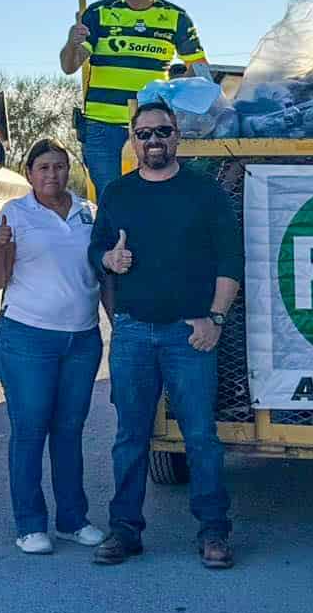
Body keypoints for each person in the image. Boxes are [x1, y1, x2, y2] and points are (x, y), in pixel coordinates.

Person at [87, 101, 243, 569]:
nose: (154, 141)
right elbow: (97, 249)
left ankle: (214, 532)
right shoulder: (117, 193)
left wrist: (214, 319)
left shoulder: (205, 194)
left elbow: (230, 261)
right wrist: (108, 260)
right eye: (144, 134)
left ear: (178, 137)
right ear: (133, 141)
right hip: (133, 334)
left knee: (200, 437)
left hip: (189, 336)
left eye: (163, 132)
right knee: (130, 437)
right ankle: (125, 531)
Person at [0, 138, 104, 555]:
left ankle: (72, 520)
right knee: (30, 431)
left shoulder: (88, 213)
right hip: (29, 338)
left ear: (69, 171)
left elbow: (101, 274)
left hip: (82, 339)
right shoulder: (14, 215)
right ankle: (30, 525)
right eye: (43, 167)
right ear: (29, 174)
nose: (53, 175)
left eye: (60, 166)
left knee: (69, 431)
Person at [59, 0, 209, 199]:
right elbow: (69, 66)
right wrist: (72, 42)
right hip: (102, 127)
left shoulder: (177, 17)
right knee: (113, 200)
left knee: (157, 197)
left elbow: (200, 69)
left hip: (153, 128)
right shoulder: (98, 13)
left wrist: (178, 99)